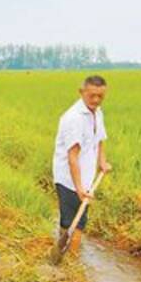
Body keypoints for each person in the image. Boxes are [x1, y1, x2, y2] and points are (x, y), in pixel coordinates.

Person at [51, 75, 112, 258]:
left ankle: (63, 251)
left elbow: (99, 139)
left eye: (100, 96)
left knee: (71, 220)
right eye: (92, 95)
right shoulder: (74, 118)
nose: (96, 100)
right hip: (69, 178)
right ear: (81, 92)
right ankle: (72, 264)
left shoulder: (97, 111)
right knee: (78, 223)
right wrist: (79, 189)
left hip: (85, 178)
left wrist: (102, 161)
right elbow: (72, 157)